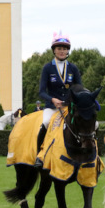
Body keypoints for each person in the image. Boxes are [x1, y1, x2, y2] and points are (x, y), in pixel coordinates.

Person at [35, 31, 82, 167]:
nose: (62, 51)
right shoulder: (47, 68)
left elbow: (79, 88)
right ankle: (40, 154)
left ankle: (88, 153)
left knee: (85, 124)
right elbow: (41, 92)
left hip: (69, 107)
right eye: (59, 48)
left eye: (65, 48)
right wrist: (53, 99)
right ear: (54, 50)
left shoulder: (73, 68)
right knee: (45, 123)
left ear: (68, 50)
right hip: (52, 107)